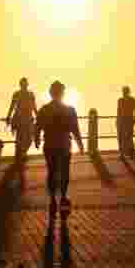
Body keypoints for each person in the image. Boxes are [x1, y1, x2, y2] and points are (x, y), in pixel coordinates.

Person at [34, 81, 86, 218]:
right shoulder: (70, 110)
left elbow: (37, 126)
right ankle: (63, 196)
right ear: (63, 93)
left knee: (51, 172)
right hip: (64, 145)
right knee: (64, 172)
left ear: (51, 93)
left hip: (50, 145)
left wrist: (37, 139)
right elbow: (75, 129)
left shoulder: (44, 109)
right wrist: (80, 144)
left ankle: (52, 199)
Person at [5, 77, 38, 160]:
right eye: (23, 84)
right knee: (20, 139)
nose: (24, 85)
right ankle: (20, 156)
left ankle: (22, 153)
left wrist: (38, 116)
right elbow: (12, 106)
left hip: (28, 119)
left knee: (29, 139)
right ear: (21, 85)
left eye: (25, 84)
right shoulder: (16, 94)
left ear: (27, 84)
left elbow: (34, 106)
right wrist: (8, 116)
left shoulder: (31, 94)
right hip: (19, 119)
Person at [117, 86, 135, 157]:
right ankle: (123, 152)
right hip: (123, 120)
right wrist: (117, 120)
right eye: (124, 91)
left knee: (128, 137)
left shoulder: (132, 100)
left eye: (125, 91)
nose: (124, 93)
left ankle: (129, 151)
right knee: (122, 137)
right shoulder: (120, 100)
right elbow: (118, 111)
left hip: (128, 121)